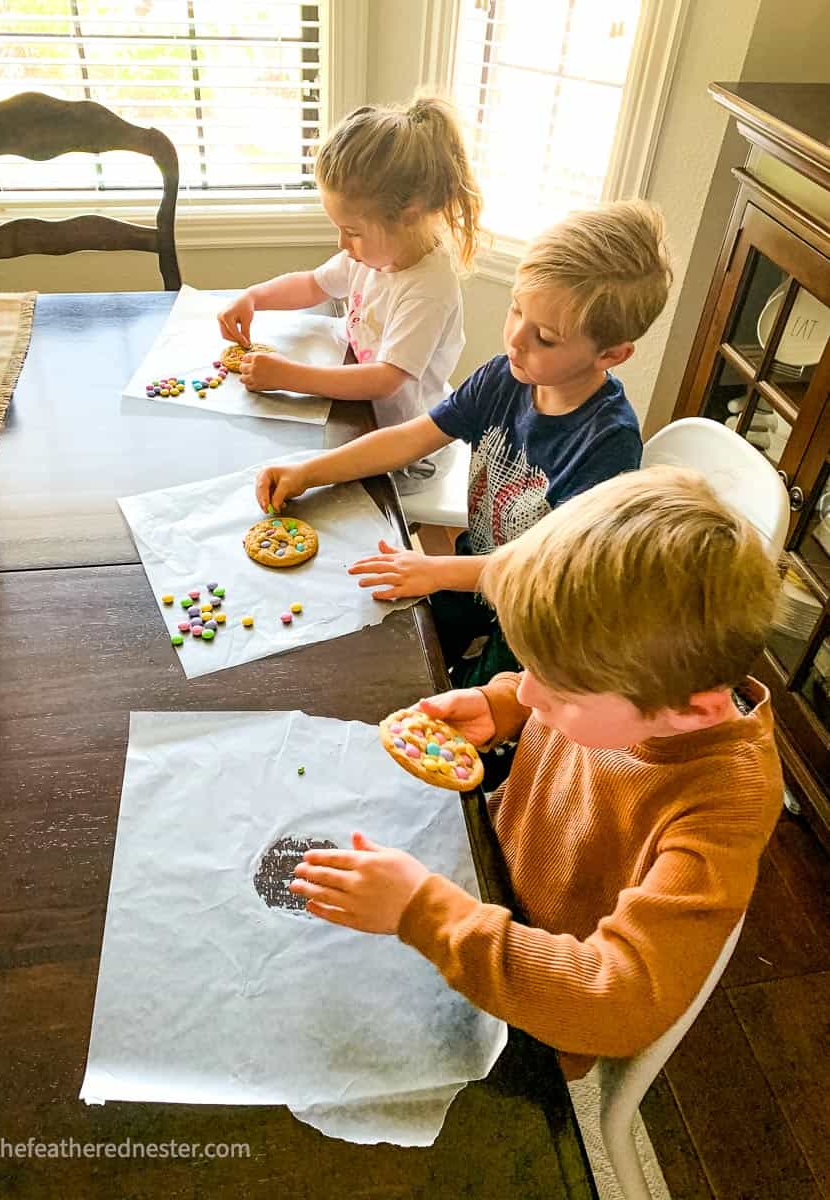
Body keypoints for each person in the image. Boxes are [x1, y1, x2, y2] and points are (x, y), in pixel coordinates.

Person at [288, 467, 784, 1079]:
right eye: (528, 668)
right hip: (487, 874)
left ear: (691, 708)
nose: (531, 693)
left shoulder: (722, 807)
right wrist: (502, 706)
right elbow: (564, 703)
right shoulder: (638, 690)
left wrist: (422, 911)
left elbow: (618, 1005)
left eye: (559, 691)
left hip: (537, 996)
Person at [256, 199, 672, 694]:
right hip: (474, 573)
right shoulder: (504, 376)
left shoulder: (607, 445)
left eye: (545, 337)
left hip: (535, 619)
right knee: (380, 653)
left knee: (471, 722)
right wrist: (313, 470)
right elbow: (411, 439)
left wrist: (434, 571)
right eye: (517, 308)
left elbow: (551, 572)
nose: (516, 340)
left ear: (611, 354)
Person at [218, 95, 480, 491]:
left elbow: (384, 380)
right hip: (356, 413)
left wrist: (290, 376)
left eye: (352, 231)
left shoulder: (427, 290)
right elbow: (312, 284)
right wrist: (254, 296)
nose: (342, 244)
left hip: (403, 450)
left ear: (409, 215)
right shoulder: (371, 256)